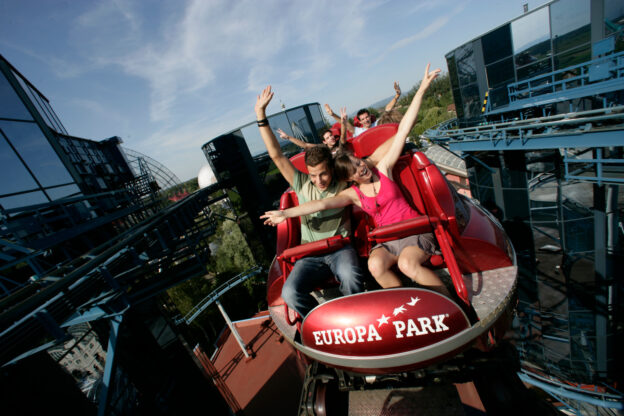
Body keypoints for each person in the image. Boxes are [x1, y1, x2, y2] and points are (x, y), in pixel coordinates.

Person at [262, 64, 450, 297]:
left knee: (406, 264)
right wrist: (286, 214)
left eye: (359, 163)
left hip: (413, 232)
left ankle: (451, 303)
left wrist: (421, 89)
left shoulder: (383, 169)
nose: (362, 168)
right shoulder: (353, 194)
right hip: (389, 240)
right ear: (349, 178)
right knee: (375, 265)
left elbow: (403, 131)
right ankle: (408, 303)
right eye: (356, 169)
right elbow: (321, 204)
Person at [255, 87, 364, 318]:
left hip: (339, 248)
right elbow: (276, 155)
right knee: (289, 293)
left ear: (331, 169)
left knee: (351, 277)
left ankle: (353, 317)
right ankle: (321, 321)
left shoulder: (342, 182)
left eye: (323, 174)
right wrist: (261, 117)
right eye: (313, 175)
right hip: (311, 253)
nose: (319, 180)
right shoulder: (302, 183)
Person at [325, 81, 402, 136]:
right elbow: (346, 125)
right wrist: (333, 114)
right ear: (360, 122)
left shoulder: (377, 124)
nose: (366, 120)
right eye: (363, 119)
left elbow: (387, 110)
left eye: (367, 117)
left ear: (370, 117)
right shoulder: (359, 131)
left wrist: (397, 95)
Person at [276, 108, 350, 156]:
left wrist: (343, 123)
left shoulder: (339, 143)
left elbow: (343, 135)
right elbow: (305, 145)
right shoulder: (323, 148)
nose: (331, 138)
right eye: (327, 138)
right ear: (324, 142)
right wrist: (288, 137)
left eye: (331, 135)